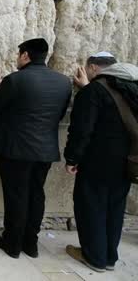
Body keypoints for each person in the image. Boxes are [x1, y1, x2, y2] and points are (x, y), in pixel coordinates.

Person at [0, 38, 72, 259]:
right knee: (36, 195)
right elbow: (59, 116)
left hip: (16, 150)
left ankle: (12, 244)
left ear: (25, 56)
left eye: (18, 55)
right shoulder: (63, 82)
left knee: (16, 196)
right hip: (45, 150)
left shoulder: (16, 80)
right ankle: (31, 244)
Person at [64, 53, 137, 273]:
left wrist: (72, 158)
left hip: (98, 160)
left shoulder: (94, 91)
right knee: (115, 208)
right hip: (129, 161)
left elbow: (82, 130)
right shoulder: (132, 87)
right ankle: (109, 257)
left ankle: (94, 257)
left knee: (91, 205)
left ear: (94, 68)